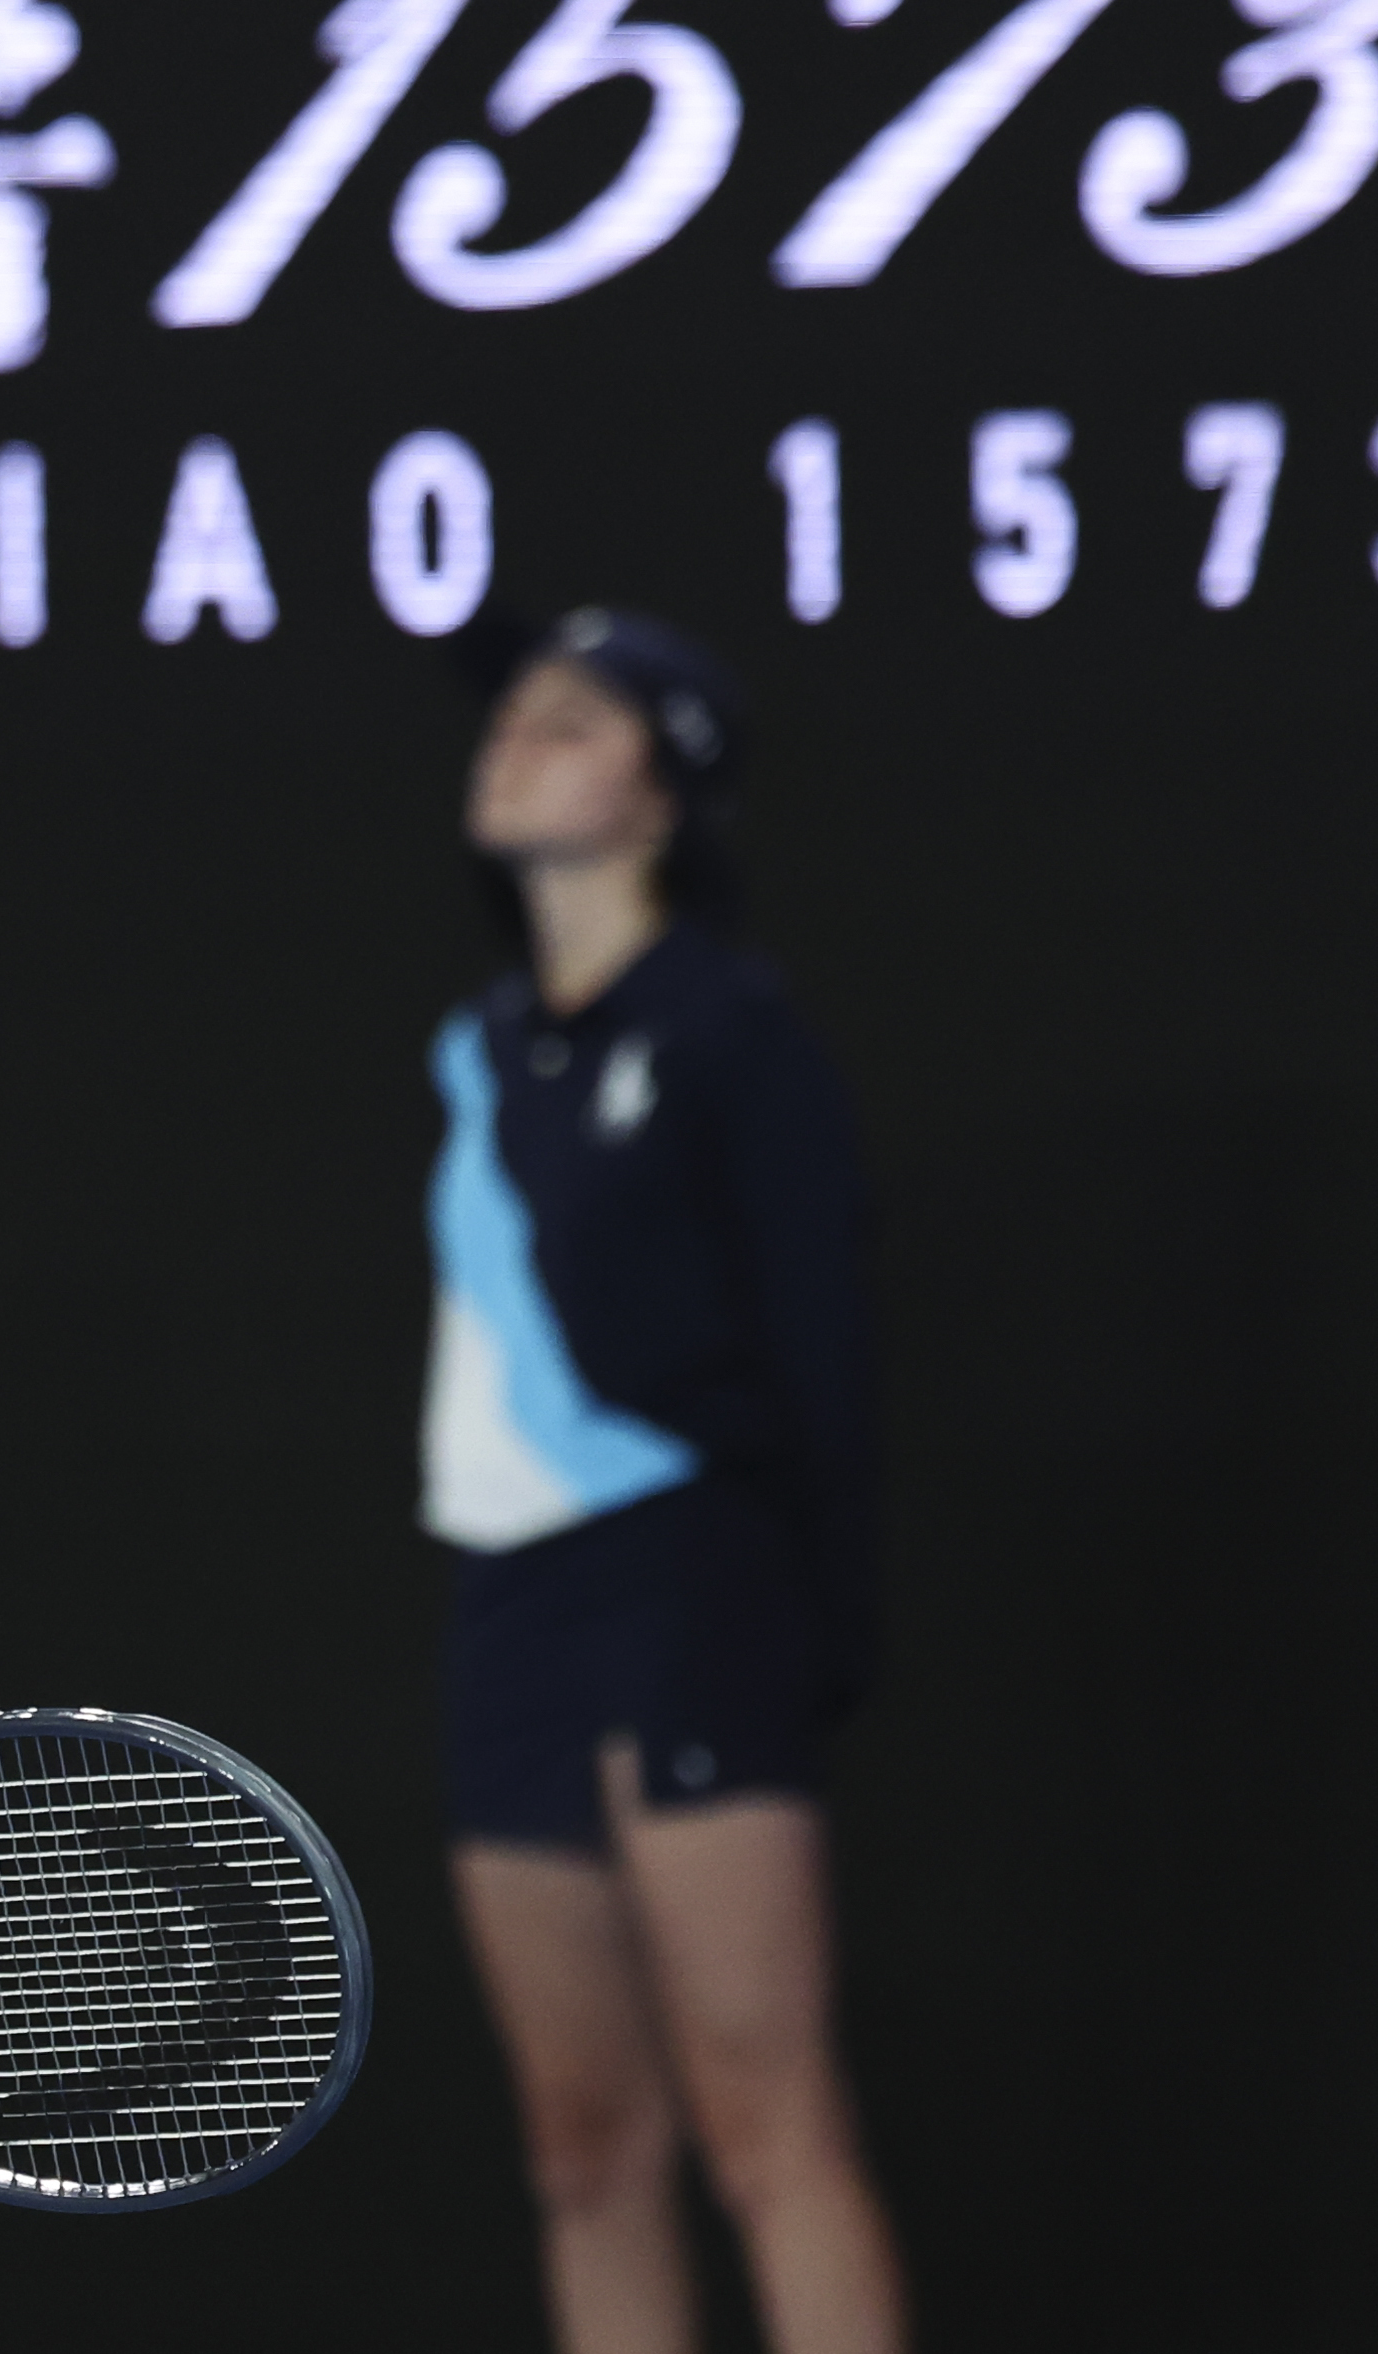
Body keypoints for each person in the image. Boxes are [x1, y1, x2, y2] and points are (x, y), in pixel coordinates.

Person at [421, 610, 906, 2354]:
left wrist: (805, 1624)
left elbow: (819, 1349)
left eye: (569, 724)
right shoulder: (483, 1048)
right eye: (514, 718)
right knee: (581, 2144)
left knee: (762, 2119)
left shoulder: (728, 1030)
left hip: (696, 1586)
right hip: (517, 1610)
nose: (514, 743)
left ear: (661, 795)